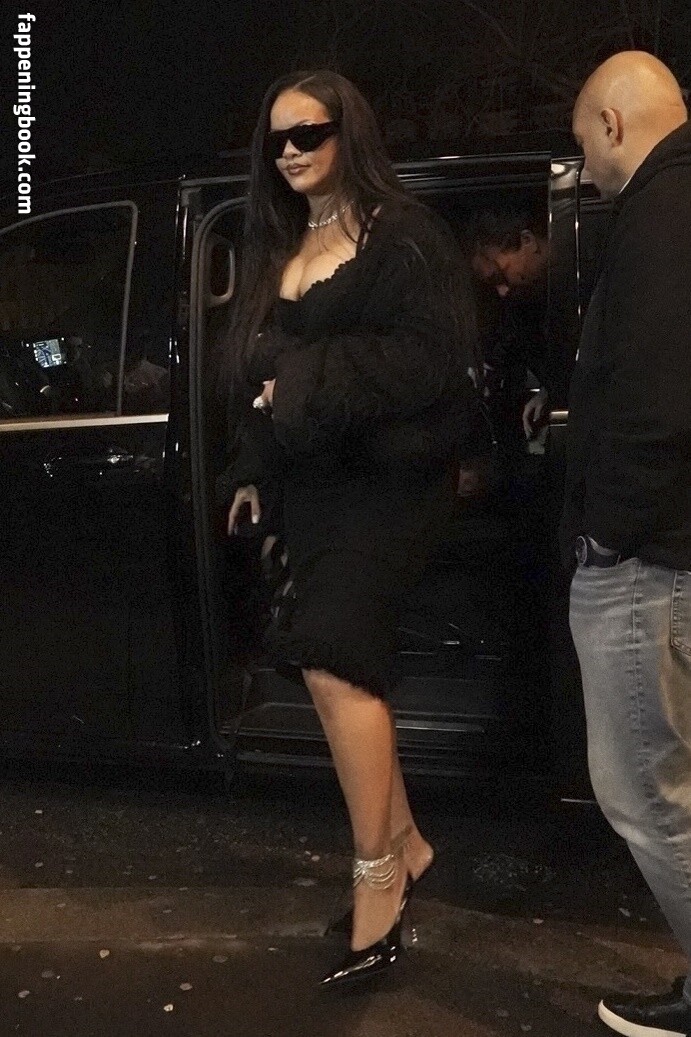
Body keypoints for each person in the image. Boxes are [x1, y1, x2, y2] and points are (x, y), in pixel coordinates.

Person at [218, 70, 483, 989]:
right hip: (316, 491)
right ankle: (405, 843)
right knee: (329, 666)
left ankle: (378, 875)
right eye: (277, 140)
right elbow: (261, 381)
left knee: (336, 657)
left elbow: (426, 361)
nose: (290, 151)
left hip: (391, 485)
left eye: (310, 133)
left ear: (348, 133)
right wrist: (251, 469)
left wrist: (300, 381)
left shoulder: (400, 234)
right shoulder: (283, 242)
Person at [561, 51, 691, 1037]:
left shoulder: (659, 215)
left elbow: (656, 403)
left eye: (581, 146)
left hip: (649, 559)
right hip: (667, 545)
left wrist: (607, 533)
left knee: (650, 793)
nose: (584, 168)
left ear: (611, 124)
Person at [469, 209, 551, 441]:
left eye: (502, 275)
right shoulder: (525, 307)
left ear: (528, 241)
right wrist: (549, 392)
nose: (503, 291)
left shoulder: (576, 282)